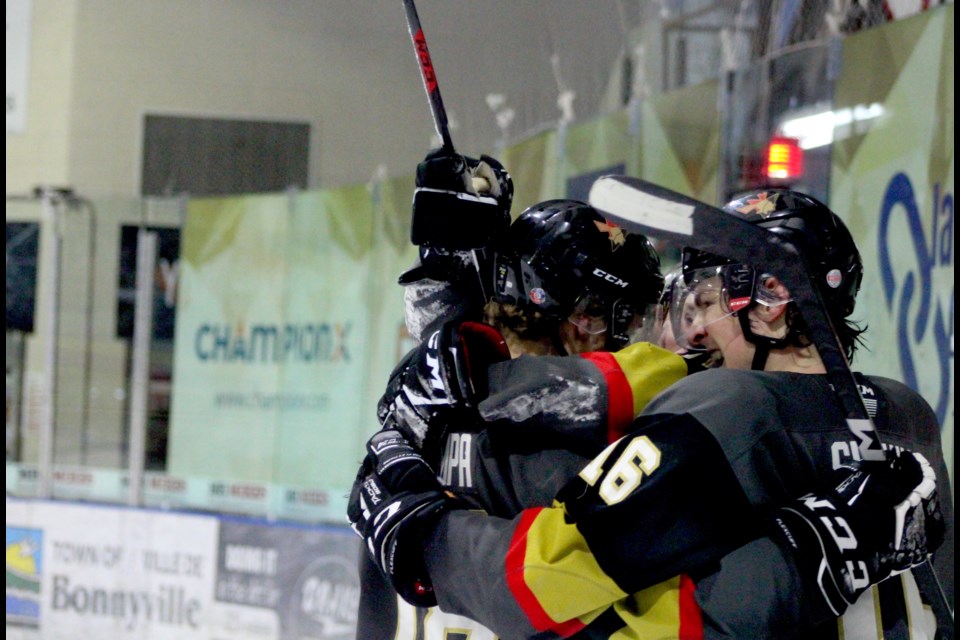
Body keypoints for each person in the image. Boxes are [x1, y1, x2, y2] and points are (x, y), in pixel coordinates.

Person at [350, 188, 952, 639]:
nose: (688, 332)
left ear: (770, 304)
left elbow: (541, 583)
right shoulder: (907, 416)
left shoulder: (721, 410)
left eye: (707, 302)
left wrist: (419, 533)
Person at [356, 194, 685, 639]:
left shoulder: (408, 431)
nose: (637, 338)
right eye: (629, 317)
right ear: (581, 318)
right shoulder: (589, 458)